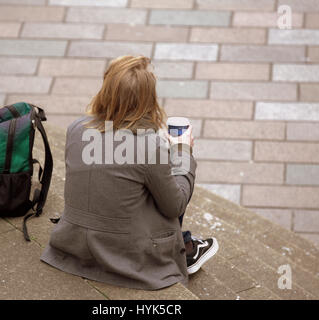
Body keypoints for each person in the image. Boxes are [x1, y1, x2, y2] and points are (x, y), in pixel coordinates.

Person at [41, 55, 218, 290]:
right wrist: (182, 152)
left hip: (72, 246)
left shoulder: (76, 128)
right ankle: (183, 248)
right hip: (126, 257)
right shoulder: (149, 147)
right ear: (148, 98)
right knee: (168, 189)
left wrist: (154, 147)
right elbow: (175, 206)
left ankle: (184, 243)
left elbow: (112, 160)